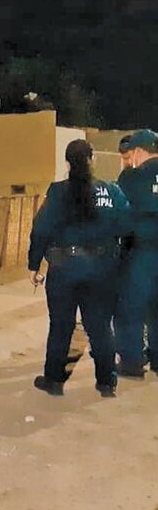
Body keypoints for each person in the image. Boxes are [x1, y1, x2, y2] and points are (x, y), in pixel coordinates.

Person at [28, 139, 128, 397]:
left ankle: (54, 380)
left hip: (64, 268)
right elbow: (127, 226)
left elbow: (41, 229)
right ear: (92, 160)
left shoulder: (58, 192)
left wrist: (33, 264)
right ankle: (107, 382)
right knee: (100, 326)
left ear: (67, 163)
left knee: (61, 325)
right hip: (102, 268)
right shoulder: (112, 192)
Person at [115, 129, 158, 379]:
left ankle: (131, 363)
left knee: (130, 308)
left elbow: (118, 214)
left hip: (140, 252)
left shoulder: (131, 177)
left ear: (140, 151)